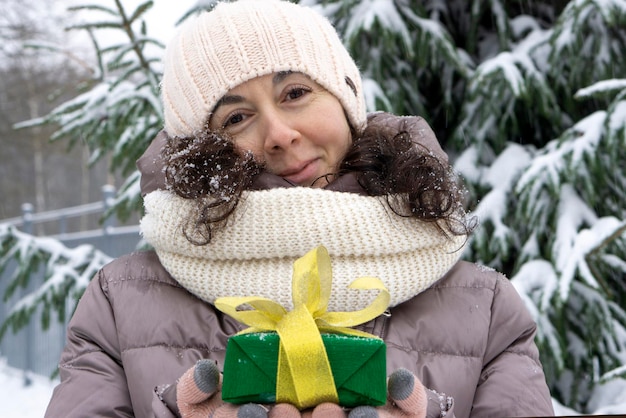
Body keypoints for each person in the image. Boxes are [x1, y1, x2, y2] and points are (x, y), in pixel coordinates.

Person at [44, 1, 555, 417]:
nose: (279, 134)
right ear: (198, 150)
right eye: (237, 117)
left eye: (295, 92)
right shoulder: (118, 304)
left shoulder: (486, 310)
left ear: (345, 98)